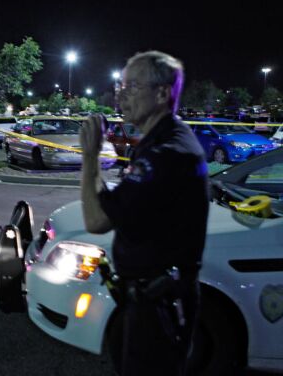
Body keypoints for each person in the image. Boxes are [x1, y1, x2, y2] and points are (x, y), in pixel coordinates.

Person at [80, 51, 209, 375]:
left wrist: (90, 157)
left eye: (132, 86)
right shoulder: (155, 142)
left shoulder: (167, 153)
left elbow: (96, 220)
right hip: (145, 299)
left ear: (162, 93)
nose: (120, 94)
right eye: (121, 85)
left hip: (158, 306)